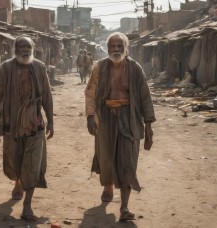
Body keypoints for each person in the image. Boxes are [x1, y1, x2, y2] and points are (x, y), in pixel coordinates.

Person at [84, 32, 156, 222]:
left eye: (119, 46)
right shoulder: (100, 67)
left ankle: (124, 206)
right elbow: (90, 92)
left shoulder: (135, 69)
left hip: (129, 118)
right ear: (107, 48)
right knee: (106, 157)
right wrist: (90, 116)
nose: (116, 50)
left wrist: (148, 126)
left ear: (126, 48)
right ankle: (107, 185)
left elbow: (145, 97)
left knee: (127, 162)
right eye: (112, 46)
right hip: (105, 118)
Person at [0, 36, 54, 221]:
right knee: (15, 161)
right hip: (11, 125)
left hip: (35, 126)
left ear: (33, 48)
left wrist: (51, 121)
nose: (25, 50)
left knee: (33, 164)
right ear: (15, 49)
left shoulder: (40, 68)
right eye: (21, 46)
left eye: (28, 46)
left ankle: (27, 206)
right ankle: (18, 182)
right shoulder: (4, 69)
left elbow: (47, 97)